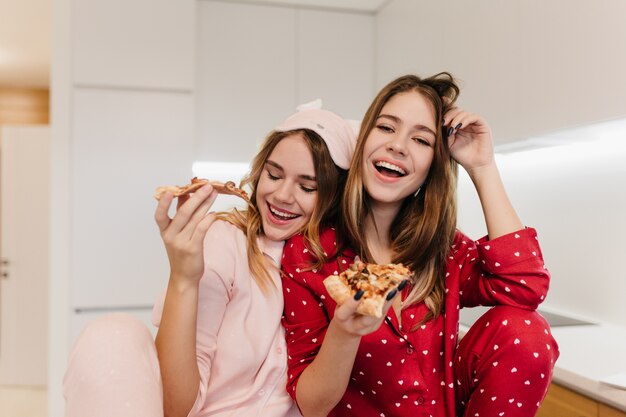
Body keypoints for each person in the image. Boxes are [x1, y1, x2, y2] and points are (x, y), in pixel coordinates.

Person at [281, 73, 559, 417]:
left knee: (525, 331)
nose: (398, 145)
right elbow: (311, 404)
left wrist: (482, 167)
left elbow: (525, 287)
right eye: (386, 127)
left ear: (432, 166)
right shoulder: (309, 253)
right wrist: (344, 332)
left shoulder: (442, 248)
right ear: (362, 140)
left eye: (422, 140)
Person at [63, 101, 357, 417]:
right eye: (274, 175)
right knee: (113, 332)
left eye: (307, 186)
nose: (282, 195)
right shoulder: (225, 240)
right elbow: (176, 407)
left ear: (335, 196)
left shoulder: (343, 267)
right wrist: (183, 278)